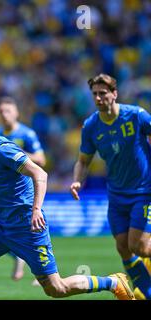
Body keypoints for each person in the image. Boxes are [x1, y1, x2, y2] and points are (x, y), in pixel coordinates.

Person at [0, 102, 134, 300]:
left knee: (56, 289)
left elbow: (40, 173)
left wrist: (36, 210)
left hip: (28, 226)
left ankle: (112, 282)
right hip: (2, 224)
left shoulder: (4, 149)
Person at [70, 73, 151, 300]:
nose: (98, 98)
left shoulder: (136, 115)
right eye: (95, 94)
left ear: (114, 94)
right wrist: (78, 179)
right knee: (123, 247)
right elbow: (83, 160)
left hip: (143, 192)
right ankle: (146, 292)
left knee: (140, 247)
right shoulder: (91, 126)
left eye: (102, 93)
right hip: (116, 195)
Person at [0, 96, 46, 282]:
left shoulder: (27, 134)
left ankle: (43, 271)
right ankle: (21, 258)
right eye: (1, 112)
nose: (5, 115)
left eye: (8, 111)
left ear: (16, 112)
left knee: (33, 231)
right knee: (0, 232)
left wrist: (16, 155)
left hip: (25, 192)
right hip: (4, 194)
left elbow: (41, 160)